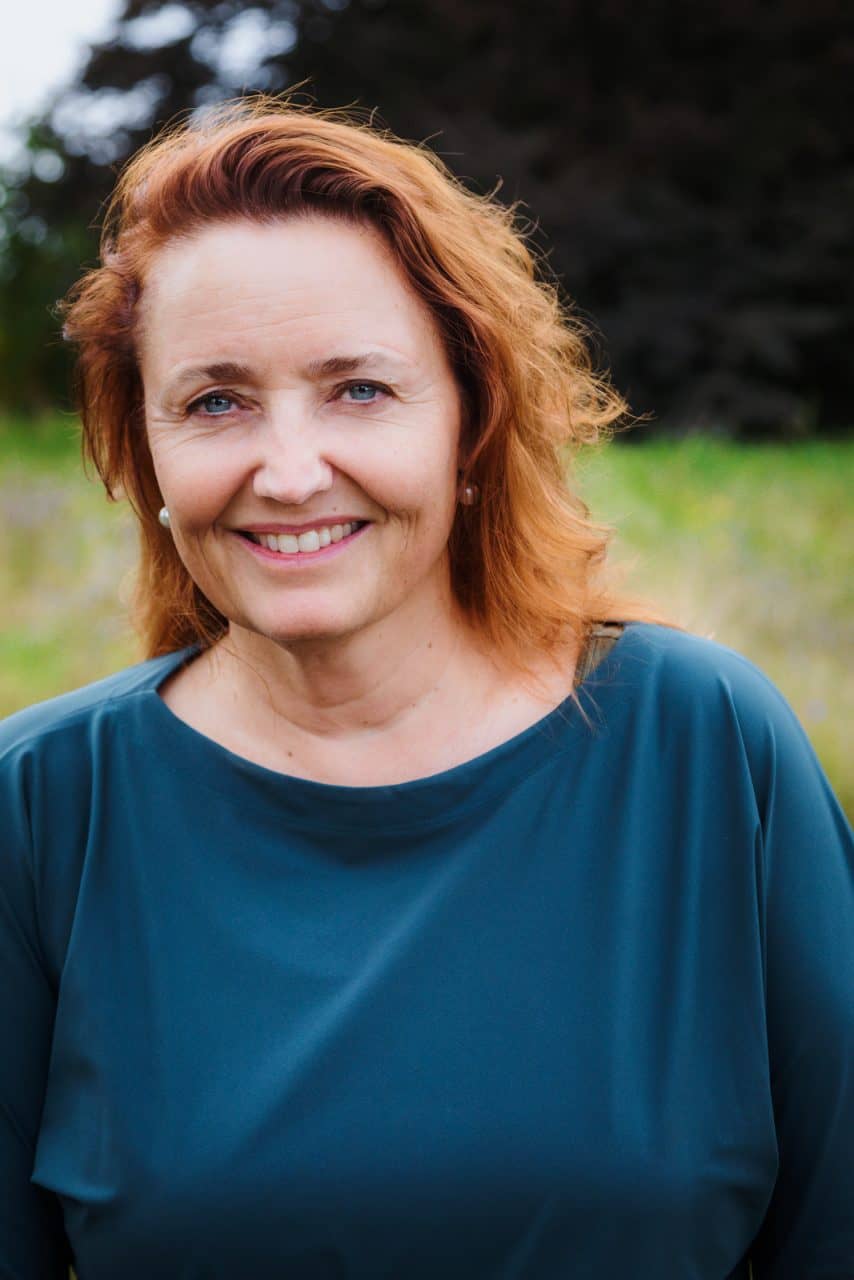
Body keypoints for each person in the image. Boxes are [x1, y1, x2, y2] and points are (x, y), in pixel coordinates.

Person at [1, 98, 852, 1280]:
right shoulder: (42, 804)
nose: (287, 471)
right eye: (214, 401)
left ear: (469, 426)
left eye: (357, 388)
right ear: (145, 451)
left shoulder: (702, 746)